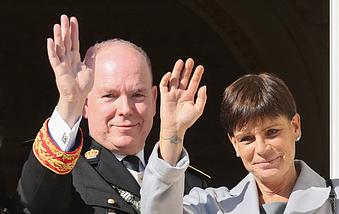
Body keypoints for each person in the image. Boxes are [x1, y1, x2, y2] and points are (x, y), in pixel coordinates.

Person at [15, 15, 208, 214]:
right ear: (86, 103)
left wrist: (173, 133)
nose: (125, 109)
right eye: (109, 95)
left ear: (154, 100)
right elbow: (35, 204)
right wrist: (70, 101)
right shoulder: (67, 172)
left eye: (137, 95)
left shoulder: (189, 182)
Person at [141, 73, 339, 213]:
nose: (262, 149)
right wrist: (172, 132)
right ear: (234, 144)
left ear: (295, 126)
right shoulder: (213, 206)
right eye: (247, 139)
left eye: (272, 132)